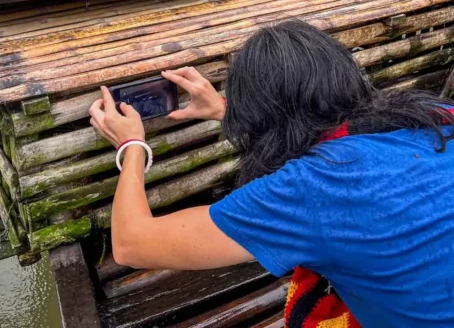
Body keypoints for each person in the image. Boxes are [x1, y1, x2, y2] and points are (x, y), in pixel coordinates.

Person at [89, 19, 454, 328]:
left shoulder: (313, 186)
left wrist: (132, 145)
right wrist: (226, 112)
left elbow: (131, 244)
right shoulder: (433, 115)